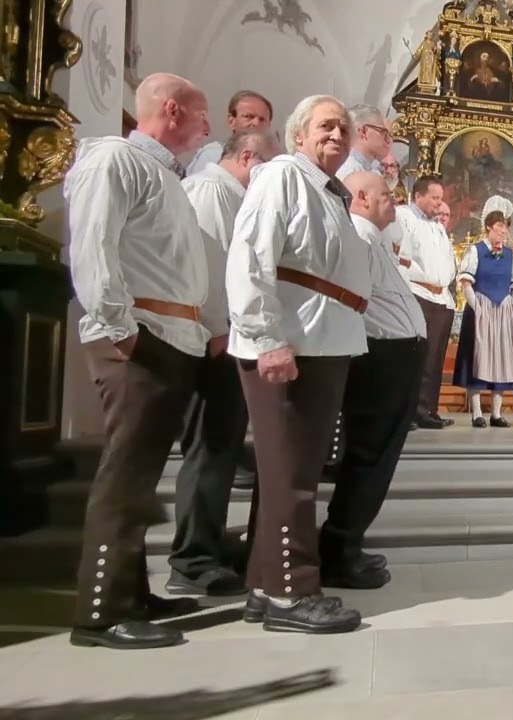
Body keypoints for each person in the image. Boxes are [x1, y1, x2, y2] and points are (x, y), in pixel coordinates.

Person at [64, 72, 213, 650]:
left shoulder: (167, 177)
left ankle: (130, 591)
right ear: (172, 110)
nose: (208, 128)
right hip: (140, 337)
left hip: (169, 337)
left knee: (142, 477)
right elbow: (93, 246)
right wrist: (119, 329)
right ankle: (100, 612)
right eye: (202, 115)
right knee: (124, 479)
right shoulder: (115, 160)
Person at [227, 94, 370, 632]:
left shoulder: (327, 191)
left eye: (344, 128)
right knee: (293, 480)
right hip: (292, 345)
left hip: (321, 343)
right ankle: (293, 594)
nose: (337, 134)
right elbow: (250, 257)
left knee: (292, 474)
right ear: (299, 135)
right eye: (326, 126)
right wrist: (267, 338)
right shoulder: (283, 175)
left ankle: (265, 586)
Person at [167, 128, 280, 598]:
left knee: (221, 448)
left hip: (227, 337)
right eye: (269, 166)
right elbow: (210, 267)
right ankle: (192, 561)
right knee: (209, 450)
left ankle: (208, 545)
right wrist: (218, 329)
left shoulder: (230, 194)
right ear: (249, 157)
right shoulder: (212, 192)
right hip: (216, 339)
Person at [318, 171, 428, 590]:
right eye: (386, 194)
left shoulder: (373, 239)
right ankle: (339, 551)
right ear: (361, 197)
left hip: (394, 357)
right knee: (370, 457)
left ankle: (346, 544)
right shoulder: (359, 239)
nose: (394, 199)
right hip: (381, 360)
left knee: (378, 457)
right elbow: (352, 303)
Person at [452, 210, 513, 427]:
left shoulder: (511, 255)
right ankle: (477, 413)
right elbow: (466, 282)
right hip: (481, 308)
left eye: (505, 226)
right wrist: (478, 307)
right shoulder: (476, 251)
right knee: (478, 358)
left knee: (501, 359)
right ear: (489, 227)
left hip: (503, 310)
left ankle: (496, 413)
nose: (503, 230)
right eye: (499, 226)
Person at [395, 175, 456, 430]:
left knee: (434, 359)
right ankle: (407, 412)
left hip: (440, 297)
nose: (439, 204)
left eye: (441, 199)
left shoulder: (437, 225)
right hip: (418, 294)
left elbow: (446, 259)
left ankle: (427, 409)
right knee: (414, 358)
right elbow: (401, 259)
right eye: (435, 198)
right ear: (418, 196)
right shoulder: (404, 217)